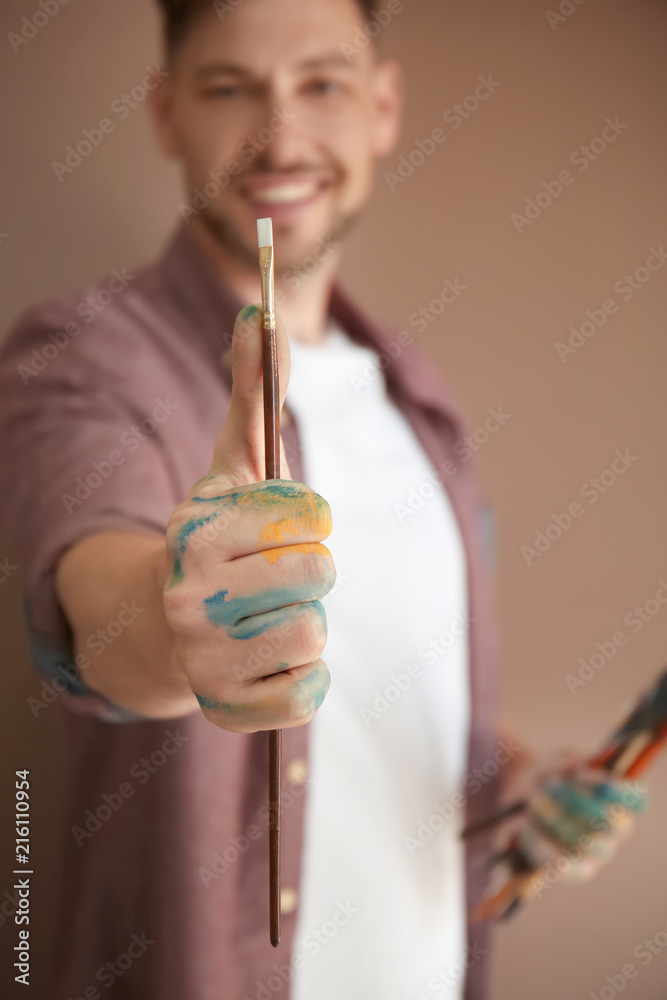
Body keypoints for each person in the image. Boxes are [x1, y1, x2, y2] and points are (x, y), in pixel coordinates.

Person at [0, 1, 645, 997]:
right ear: (165, 113)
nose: (280, 135)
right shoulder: (80, 357)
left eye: (322, 85)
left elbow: (405, 689)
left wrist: (517, 785)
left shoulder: (419, 401)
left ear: (383, 108)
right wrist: (180, 635)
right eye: (229, 88)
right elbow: (95, 603)